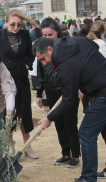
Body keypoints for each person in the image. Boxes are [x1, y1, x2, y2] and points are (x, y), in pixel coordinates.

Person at [33, 37, 106, 182]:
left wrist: (49, 118)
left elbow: (69, 101)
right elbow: (93, 49)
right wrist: (83, 84)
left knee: (86, 133)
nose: (44, 63)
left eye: (43, 58)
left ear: (50, 49)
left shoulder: (64, 66)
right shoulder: (75, 41)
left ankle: (88, 179)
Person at [0, 10, 38, 159]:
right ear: (6, 23)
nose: (16, 27)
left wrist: (28, 66)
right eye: (12, 24)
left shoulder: (24, 35)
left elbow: (31, 54)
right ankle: (10, 146)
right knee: (8, 114)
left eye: (19, 24)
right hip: (4, 82)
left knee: (24, 113)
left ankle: (27, 145)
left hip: (22, 80)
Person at [36, 17, 81, 168]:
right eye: (45, 35)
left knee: (70, 123)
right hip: (51, 92)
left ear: (57, 33)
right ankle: (65, 153)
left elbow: (77, 70)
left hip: (67, 91)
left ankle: (75, 155)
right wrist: (38, 94)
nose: (48, 38)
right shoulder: (40, 51)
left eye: (51, 35)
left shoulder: (66, 47)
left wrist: (79, 88)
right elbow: (40, 76)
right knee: (58, 123)